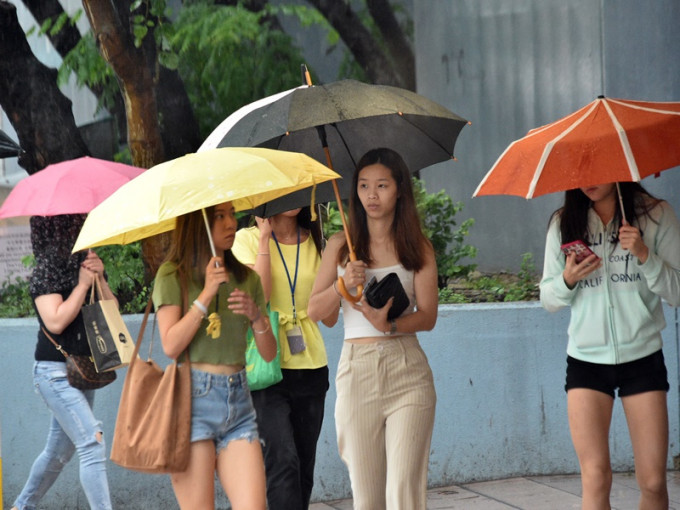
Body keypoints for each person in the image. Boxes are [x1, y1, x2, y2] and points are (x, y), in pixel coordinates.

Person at [307, 148, 438, 510]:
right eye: (364, 186)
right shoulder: (340, 245)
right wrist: (341, 284)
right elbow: (317, 312)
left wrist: (391, 324)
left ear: (400, 190)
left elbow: (428, 316)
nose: (372, 195)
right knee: (368, 500)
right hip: (357, 370)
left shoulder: (418, 247)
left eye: (382, 185)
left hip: (408, 371)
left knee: (404, 495)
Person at [539, 182, 680, 510]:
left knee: (654, 481)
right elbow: (548, 297)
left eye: (597, 169)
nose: (589, 180)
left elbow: (677, 291)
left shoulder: (655, 215)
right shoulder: (564, 222)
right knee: (596, 476)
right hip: (586, 360)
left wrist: (645, 255)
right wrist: (567, 280)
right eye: (581, 170)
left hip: (642, 356)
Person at [152, 201, 276, 510]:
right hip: (192, 403)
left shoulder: (248, 279)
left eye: (232, 214)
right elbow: (171, 346)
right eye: (219, 216)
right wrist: (206, 294)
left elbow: (269, 353)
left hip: (239, 401)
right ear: (197, 224)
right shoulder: (173, 274)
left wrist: (257, 317)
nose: (231, 223)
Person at [232, 206, 336, 510]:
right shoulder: (246, 239)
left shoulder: (317, 243)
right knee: (283, 462)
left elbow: (328, 319)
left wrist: (342, 280)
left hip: (312, 365)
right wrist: (265, 240)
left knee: (304, 468)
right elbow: (259, 300)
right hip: (266, 367)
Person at [12, 214, 115, 510]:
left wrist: (98, 278)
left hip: (83, 368)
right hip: (54, 372)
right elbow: (55, 321)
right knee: (92, 442)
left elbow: (111, 312)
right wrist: (82, 286)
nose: (77, 228)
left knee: (58, 454)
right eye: (72, 223)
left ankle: (21, 507)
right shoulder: (47, 266)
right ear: (55, 227)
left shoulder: (87, 261)